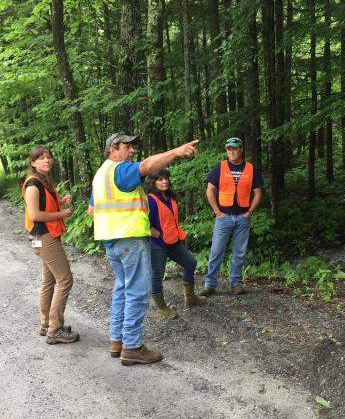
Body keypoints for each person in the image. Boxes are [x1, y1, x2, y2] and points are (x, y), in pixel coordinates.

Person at [91, 133, 198, 366]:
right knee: (138, 291)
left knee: (122, 289)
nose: (132, 151)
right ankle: (132, 346)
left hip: (112, 241)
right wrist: (177, 151)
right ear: (113, 149)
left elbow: (92, 209)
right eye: (127, 147)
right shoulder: (120, 170)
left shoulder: (101, 175)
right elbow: (148, 165)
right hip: (129, 239)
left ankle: (116, 342)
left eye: (132, 147)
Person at [23, 145, 79, 345]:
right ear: (33, 162)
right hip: (43, 237)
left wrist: (61, 201)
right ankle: (55, 330)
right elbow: (35, 215)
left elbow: (44, 206)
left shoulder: (44, 180)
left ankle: (46, 323)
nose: (46, 160)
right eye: (41, 158)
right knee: (65, 280)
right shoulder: (33, 184)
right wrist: (62, 214)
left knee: (49, 281)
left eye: (49, 157)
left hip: (46, 236)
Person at [201, 137, 263, 296]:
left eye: (234, 148)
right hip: (224, 218)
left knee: (239, 253)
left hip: (242, 218)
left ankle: (236, 284)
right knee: (216, 251)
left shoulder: (251, 169)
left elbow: (257, 193)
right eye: (229, 148)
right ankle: (210, 285)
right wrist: (217, 212)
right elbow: (210, 190)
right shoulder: (220, 167)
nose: (231, 151)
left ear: (241, 149)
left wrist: (249, 212)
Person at [146, 170, 207, 319]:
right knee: (157, 275)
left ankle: (190, 298)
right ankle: (161, 308)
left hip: (173, 241)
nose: (164, 181)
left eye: (166, 178)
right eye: (160, 179)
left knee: (190, 262)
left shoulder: (170, 197)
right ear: (153, 182)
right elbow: (144, 223)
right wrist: (158, 234)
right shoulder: (150, 199)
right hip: (157, 244)